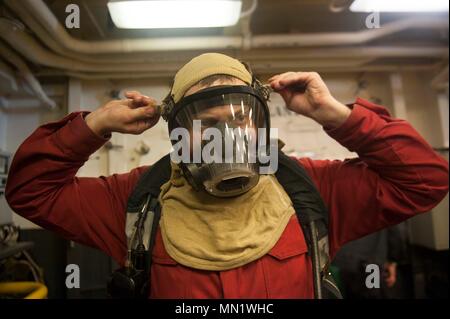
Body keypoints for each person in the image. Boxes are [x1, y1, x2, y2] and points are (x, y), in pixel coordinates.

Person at [5, 53, 449, 298]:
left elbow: (425, 179)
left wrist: (337, 115)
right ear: (179, 134)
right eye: (205, 122)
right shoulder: (137, 201)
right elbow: (30, 193)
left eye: (239, 118)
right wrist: (94, 125)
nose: (227, 134)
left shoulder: (311, 190)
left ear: (260, 125)